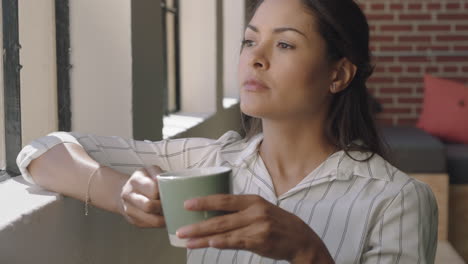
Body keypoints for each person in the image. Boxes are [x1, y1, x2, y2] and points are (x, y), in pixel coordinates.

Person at [17, 0, 438, 263]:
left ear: (338, 74)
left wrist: (307, 253)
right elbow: (42, 152)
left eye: (285, 44)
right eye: (249, 41)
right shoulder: (208, 161)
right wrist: (124, 195)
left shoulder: (396, 200)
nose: (256, 58)